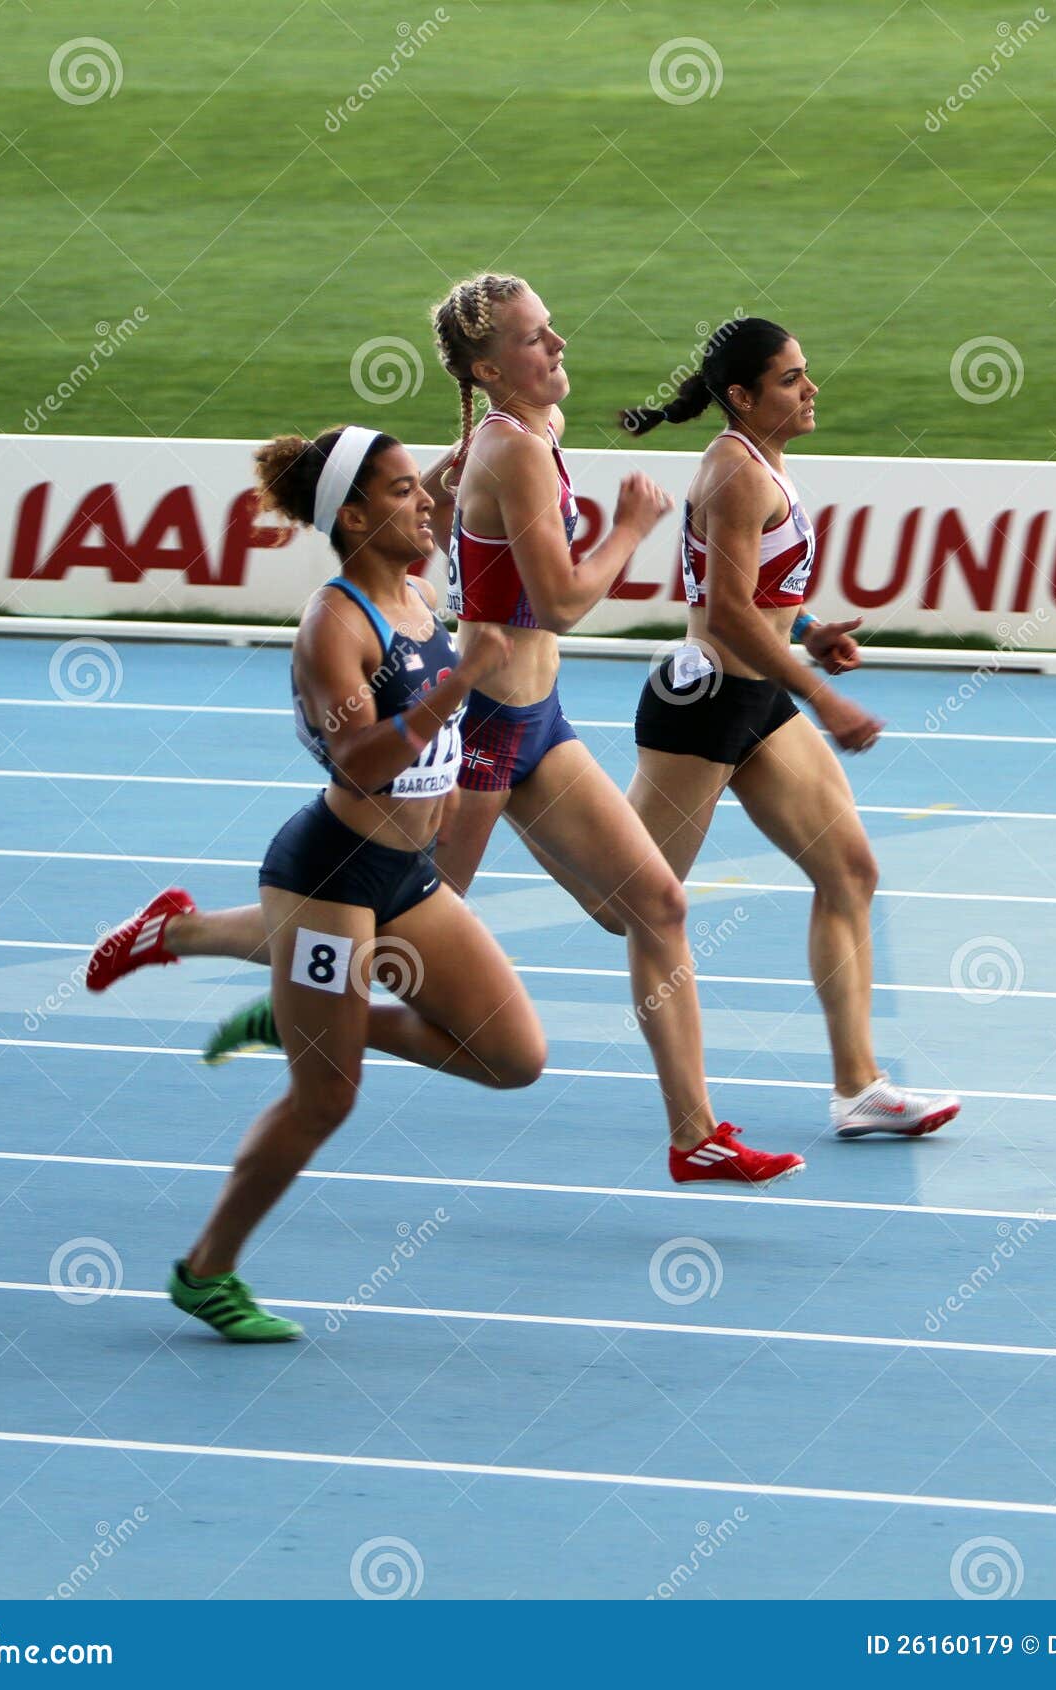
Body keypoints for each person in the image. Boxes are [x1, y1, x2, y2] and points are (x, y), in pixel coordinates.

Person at [92, 275, 804, 1188]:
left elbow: (433, 514)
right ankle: (199, 942)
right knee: (394, 924)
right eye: (533, 338)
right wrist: (629, 528)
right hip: (484, 732)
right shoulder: (510, 448)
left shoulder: (523, 434)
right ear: (487, 368)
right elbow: (563, 602)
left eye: (551, 328)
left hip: (539, 719)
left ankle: (693, 1135)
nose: (557, 345)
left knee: (656, 907)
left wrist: (438, 491)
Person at [94, 425, 547, 1341]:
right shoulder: (333, 626)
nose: (424, 502)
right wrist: (458, 684)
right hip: (331, 874)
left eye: (422, 487)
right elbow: (360, 762)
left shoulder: (417, 592)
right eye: (401, 491)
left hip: (406, 876)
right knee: (326, 1098)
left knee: (513, 1057)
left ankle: (248, 980)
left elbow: (434, 512)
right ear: (353, 516)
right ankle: (205, 1272)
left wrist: (455, 476)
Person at [566, 316, 959, 1139]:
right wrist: (823, 696)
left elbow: (753, 594)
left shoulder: (762, 461)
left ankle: (858, 1088)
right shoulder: (736, 474)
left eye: (804, 372)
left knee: (849, 872)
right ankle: (514, 790)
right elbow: (728, 615)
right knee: (619, 907)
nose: (810, 388)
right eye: (790, 378)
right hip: (707, 706)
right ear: (741, 397)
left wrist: (806, 628)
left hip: (759, 701)